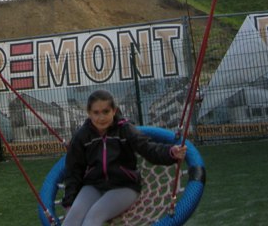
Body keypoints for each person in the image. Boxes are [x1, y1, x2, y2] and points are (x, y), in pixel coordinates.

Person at [61, 89, 186, 226]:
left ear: (114, 111)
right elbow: (73, 170)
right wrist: (69, 202)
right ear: (89, 113)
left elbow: (148, 148)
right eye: (96, 113)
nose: (101, 117)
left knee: (92, 218)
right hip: (94, 185)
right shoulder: (82, 136)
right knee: (71, 220)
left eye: (106, 112)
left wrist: (170, 152)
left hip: (123, 186)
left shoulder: (125, 129)